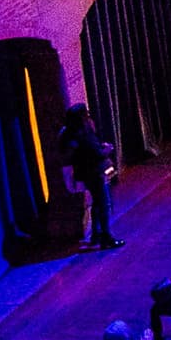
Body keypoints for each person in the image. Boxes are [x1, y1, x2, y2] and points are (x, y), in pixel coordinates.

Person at [57, 100, 119, 249]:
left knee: (97, 203)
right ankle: (106, 237)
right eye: (86, 114)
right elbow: (92, 152)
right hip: (93, 172)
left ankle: (96, 235)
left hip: (86, 172)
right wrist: (106, 150)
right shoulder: (81, 132)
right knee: (102, 204)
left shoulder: (68, 133)